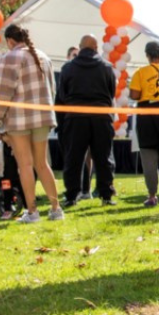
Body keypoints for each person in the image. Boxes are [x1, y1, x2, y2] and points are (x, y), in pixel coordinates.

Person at [0, 24, 64, 223]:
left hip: (18, 118)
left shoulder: (10, 58)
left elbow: (2, 93)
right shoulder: (43, 56)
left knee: (25, 165)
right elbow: (52, 89)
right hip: (42, 116)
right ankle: (56, 209)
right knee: (42, 164)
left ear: (10, 40)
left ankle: (32, 212)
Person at [55, 34, 119, 206]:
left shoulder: (68, 68)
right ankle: (106, 194)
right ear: (96, 48)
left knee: (73, 158)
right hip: (101, 117)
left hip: (75, 118)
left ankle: (71, 196)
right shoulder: (106, 67)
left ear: (80, 47)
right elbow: (111, 92)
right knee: (103, 157)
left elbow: (61, 95)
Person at [129, 41, 159, 207]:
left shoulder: (140, 72)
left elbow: (134, 95)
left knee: (149, 158)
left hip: (147, 115)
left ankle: (152, 196)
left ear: (147, 55)